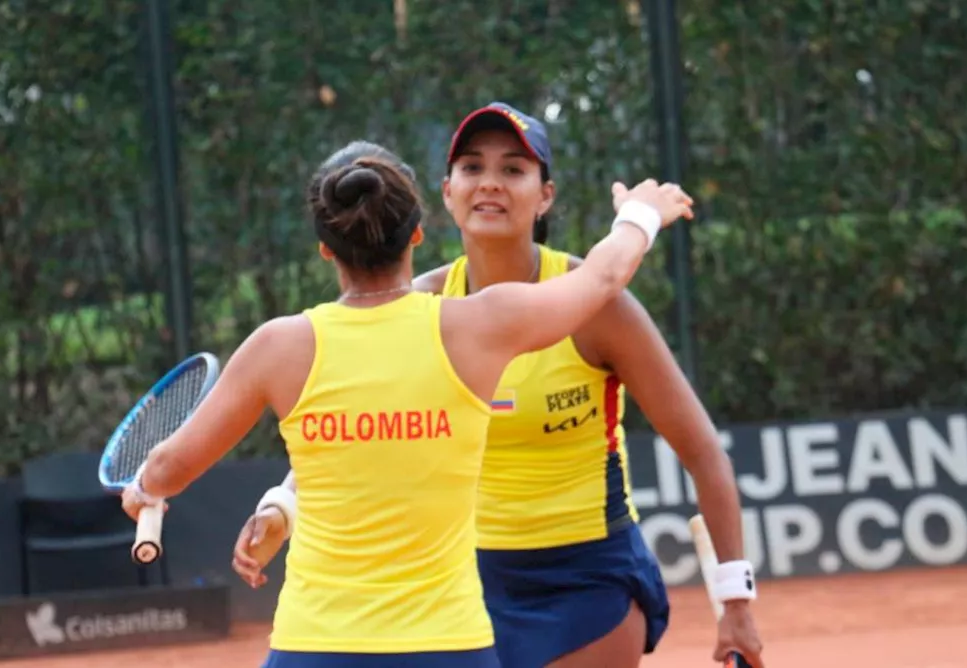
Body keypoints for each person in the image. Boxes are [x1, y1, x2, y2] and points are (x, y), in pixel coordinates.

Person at [120, 138, 695, 668]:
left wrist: (144, 490)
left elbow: (168, 469)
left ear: (325, 249)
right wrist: (639, 213)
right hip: (448, 647)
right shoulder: (478, 326)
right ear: (417, 234)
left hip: (315, 646)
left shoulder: (278, 345)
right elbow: (602, 278)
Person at [233, 104, 765, 668]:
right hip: (460, 590)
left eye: (513, 169)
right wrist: (283, 507)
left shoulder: (598, 308)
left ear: (545, 196)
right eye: (471, 167)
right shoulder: (419, 306)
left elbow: (703, 452)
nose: (489, 182)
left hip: (587, 580)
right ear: (445, 193)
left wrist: (736, 601)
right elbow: (346, 423)